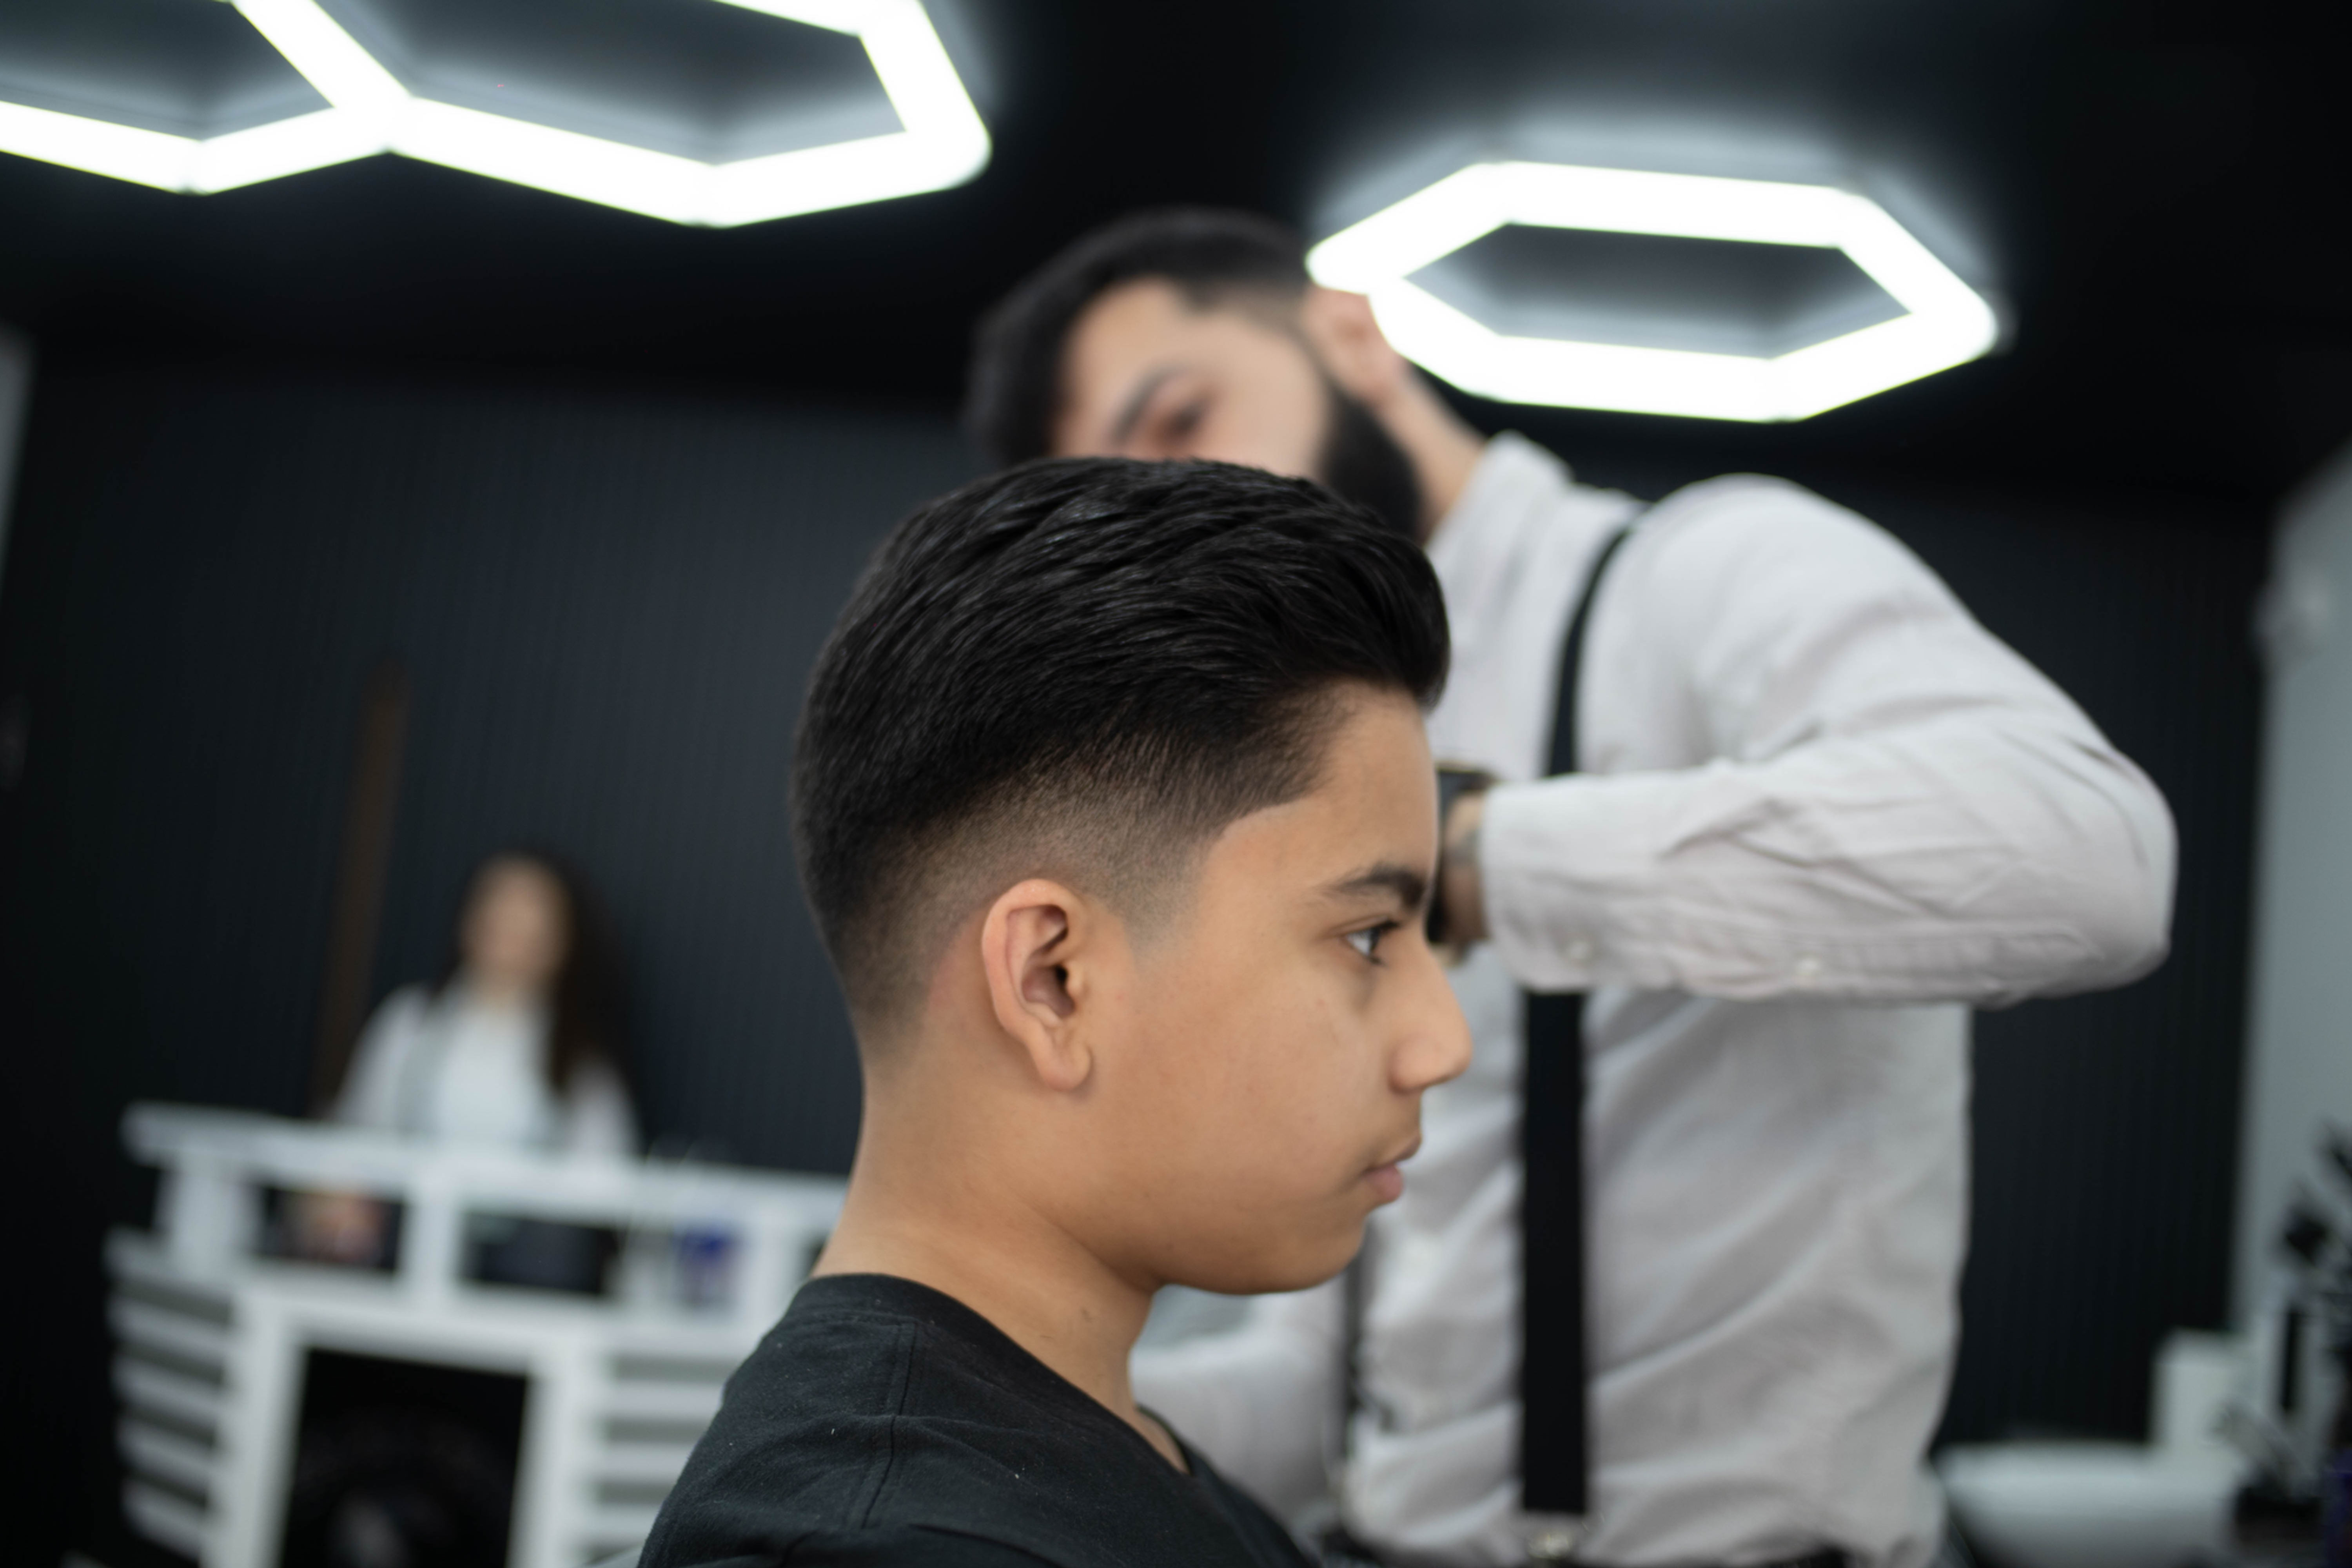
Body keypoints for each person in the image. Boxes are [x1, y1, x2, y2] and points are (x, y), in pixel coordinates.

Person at [963, 210, 2179, 1568]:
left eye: (1183, 420)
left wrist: (1477, 858)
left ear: (1349, 336)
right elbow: (1336, 1397)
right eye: (1131, 497)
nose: (1183, 508)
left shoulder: (1703, 574)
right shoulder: (1281, 758)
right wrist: (1000, 1415)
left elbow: (2092, 857)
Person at [639, 457, 1472, 1568]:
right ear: (1052, 981)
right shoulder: (885, 1547)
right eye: (1368, 936)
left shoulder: (1093, 1461)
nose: (1443, 1043)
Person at [294, 850, 638, 1270]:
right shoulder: (410, 1022)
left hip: (525, 1272)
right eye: (499, 910)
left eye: (530, 921)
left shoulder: (580, 1059)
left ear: (563, 943)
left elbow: (606, 1188)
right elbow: (357, 1135)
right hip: (401, 1250)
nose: (511, 933)